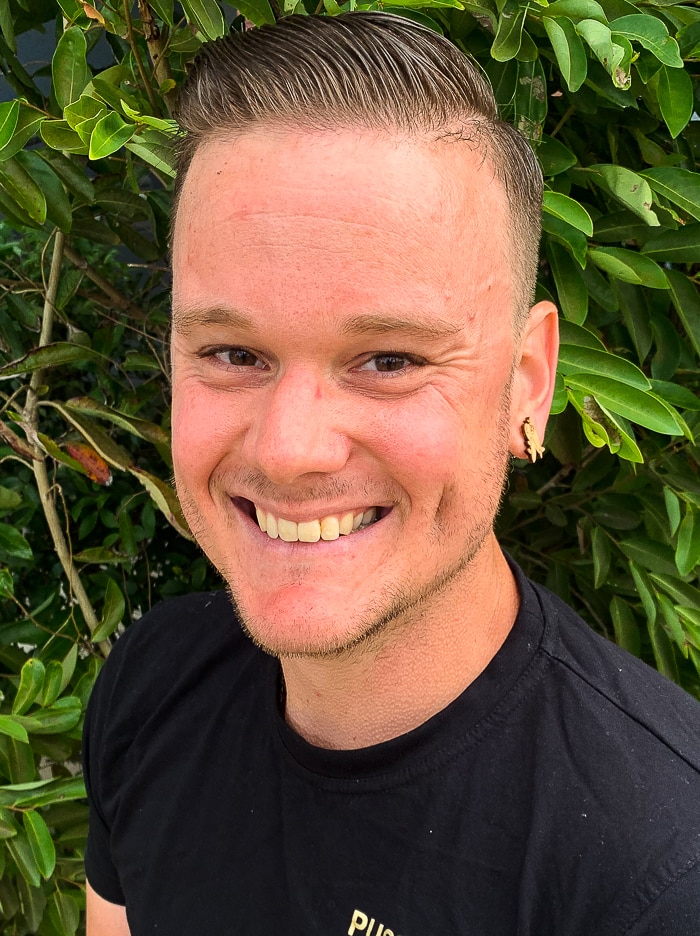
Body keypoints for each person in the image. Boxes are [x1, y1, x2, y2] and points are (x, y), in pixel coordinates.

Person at [82, 12, 700, 935]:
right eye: (232, 352)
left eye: (390, 361)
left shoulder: (658, 875)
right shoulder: (151, 684)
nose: (290, 449)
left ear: (526, 385)